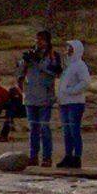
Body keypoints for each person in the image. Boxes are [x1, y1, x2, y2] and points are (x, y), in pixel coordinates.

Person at [19, 31, 60, 165]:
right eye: (37, 40)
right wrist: (24, 61)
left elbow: (56, 71)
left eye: (41, 40)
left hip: (45, 97)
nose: (38, 43)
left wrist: (40, 62)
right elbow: (18, 73)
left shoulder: (53, 55)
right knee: (33, 128)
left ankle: (47, 157)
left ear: (47, 41)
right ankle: (33, 156)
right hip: (30, 96)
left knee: (44, 127)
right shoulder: (30, 54)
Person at [53, 40, 95, 171]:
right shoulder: (68, 65)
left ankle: (77, 157)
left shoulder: (80, 65)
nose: (68, 50)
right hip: (65, 103)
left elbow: (85, 83)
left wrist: (71, 91)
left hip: (75, 103)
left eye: (70, 48)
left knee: (74, 131)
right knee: (66, 132)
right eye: (67, 48)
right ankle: (68, 156)